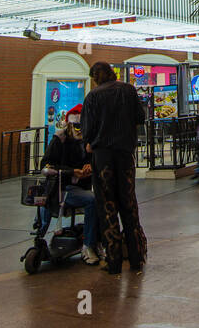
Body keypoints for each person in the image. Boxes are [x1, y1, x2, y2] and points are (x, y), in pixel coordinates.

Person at [81, 61, 147, 275]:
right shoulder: (128, 90)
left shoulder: (92, 97)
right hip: (125, 155)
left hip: (103, 158)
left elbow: (87, 131)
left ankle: (114, 260)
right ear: (112, 73)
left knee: (107, 207)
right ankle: (136, 257)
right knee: (129, 204)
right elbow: (140, 118)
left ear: (95, 77)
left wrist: (91, 141)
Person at [38, 106, 100, 265]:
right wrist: (72, 172)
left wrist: (90, 166)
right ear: (69, 125)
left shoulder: (87, 142)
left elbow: (92, 160)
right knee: (92, 200)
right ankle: (89, 245)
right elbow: (46, 165)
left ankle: (92, 242)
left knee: (96, 199)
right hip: (62, 189)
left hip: (81, 187)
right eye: (76, 127)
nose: (79, 131)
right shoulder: (59, 141)